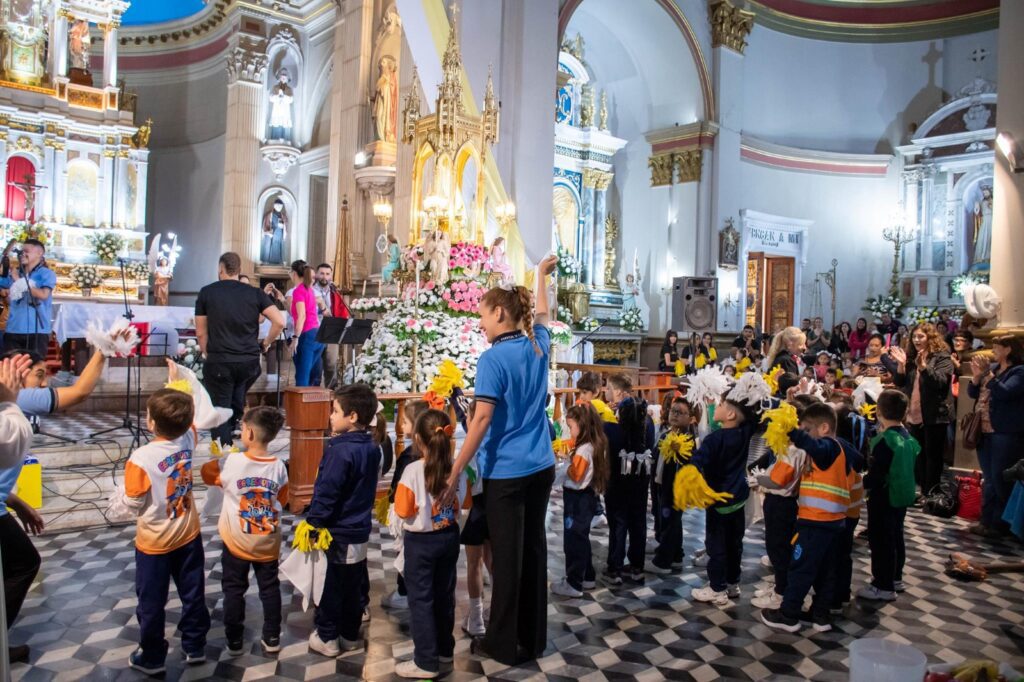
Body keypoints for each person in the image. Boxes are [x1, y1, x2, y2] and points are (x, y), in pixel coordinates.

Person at [443, 255, 558, 666]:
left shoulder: (492, 359)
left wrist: (455, 470)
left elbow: (482, 418)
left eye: (483, 317)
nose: (480, 324)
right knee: (534, 552)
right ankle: (535, 638)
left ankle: (503, 644)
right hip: (541, 467)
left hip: (506, 472)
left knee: (506, 561)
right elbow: (544, 313)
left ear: (499, 312)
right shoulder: (536, 344)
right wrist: (541, 275)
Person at [122, 371, 213, 674]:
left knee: (151, 601)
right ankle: (195, 644)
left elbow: (133, 502)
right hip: (188, 534)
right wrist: (179, 386)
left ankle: (152, 657)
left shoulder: (141, 457)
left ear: (150, 422)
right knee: (192, 592)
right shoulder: (188, 438)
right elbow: (194, 418)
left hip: (154, 544)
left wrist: (118, 502)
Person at [760, 402, 856, 634]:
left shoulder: (828, 447)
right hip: (833, 523)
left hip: (817, 522)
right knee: (825, 572)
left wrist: (792, 430)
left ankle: (788, 613)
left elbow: (815, 447)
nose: (804, 438)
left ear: (824, 428)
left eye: (807, 430)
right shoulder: (841, 449)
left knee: (800, 568)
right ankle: (820, 615)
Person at [200, 407, 288, 655]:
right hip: (267, 540)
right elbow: (283, 496)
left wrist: (220, 457)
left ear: (248, 432)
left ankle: (235, 640)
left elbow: (208, 475)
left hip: (237, 540)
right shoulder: (279, 466)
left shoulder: (233, 462)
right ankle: (272, 637)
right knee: (270, 588)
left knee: (234, 590)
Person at [307, 383, 381, 657]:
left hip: (337, 530)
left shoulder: (340, 451)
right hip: (360, 528)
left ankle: (327, 635)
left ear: (352, 417)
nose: (330, 416)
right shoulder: (372, 446)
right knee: (352, 584)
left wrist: (314, 523)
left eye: (335, 411)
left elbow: (328, 490)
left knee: (331, 585)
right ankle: (350, 635)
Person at [393, 409, 466, 679]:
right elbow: (465, 502)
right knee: (444, 595)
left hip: (421, 543)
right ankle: (445, 651)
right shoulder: (457, 467)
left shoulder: (413, 470)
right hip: (449, 538)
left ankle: (425, 661)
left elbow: (402, 510)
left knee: (421, 600)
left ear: (418, 440)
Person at [196, 252, 285, 446]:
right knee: (236, 394)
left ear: (221, 270)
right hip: (248, 361)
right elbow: (279, 321)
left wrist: (207, 353)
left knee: (220, 407)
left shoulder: (207, 292)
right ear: (238, 271)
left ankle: (223, 452)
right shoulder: (254, 293)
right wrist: (266, 343)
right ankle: (235, 425)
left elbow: (201, 333)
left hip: (221, 360)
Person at [689, 397, 753, 606]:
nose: (716, 406)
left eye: (721, 405)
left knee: (716, 546)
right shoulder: (745, 433)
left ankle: (717, 588)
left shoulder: (714, 440)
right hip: (738, 499)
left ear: (731, 415)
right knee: (735, 544)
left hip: (718, 500)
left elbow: (697, 462)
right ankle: (732, 582)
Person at [858, 389, 919, 601]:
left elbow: (877, 474)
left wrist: (859, 482)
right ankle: (895, 577)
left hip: (884, 497)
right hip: (902, 495)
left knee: (881, 541)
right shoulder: (907, 436)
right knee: (896, 537)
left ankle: (882, 585)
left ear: (879, 413)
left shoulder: (887, 441)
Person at [0, 353, 39, 664]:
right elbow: (11, 442)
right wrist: (9, 401)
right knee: (24, 562)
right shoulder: (11, 412)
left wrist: (16, 501)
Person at [968, 335, 1024, 538]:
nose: (993, 351)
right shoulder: (992, 368)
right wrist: (975, 378)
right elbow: (973, 393)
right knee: (989, 478)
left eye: (997, 347)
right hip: (984, 430)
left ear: (1008, 349)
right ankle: (986, 520)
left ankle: (1000, 524)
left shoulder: (1018, 371)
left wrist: (989, 377)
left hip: (1004, 432)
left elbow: (1006, 392)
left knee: (1000, 478)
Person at [889, 323, 953, 497]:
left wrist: (924, 368)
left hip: (934, 414)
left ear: (930, 337)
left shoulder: (941, 357)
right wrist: (901, 365)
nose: (917, 340)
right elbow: (900, 382)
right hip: (914, 412)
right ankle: (919, 489)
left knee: (933, 456)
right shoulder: (910, 356)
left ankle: (931, 491)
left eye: (921, 336)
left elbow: (940, 383)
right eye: (914, 336)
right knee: (917, 454)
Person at [552, 403, 609, 597]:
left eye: (572, 427)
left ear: (583, 425)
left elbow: (576, 475)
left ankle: (574, 583)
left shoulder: (584, 449)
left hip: (578, 500)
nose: (570, 431)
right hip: (586, 498)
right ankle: (588, 577)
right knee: (582, 538)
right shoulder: (593, 443)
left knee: (573, 541)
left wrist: (565, 461)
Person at [603, 373, 651, 585]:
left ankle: (614, 567)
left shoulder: (611, 430)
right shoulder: (647, 429)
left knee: (618, 524)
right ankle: (637, 567)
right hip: (640, 484)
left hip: (617, 485)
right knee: (638, 524)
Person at [382, 399, 429, 611]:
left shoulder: (409, 457)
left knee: (406, 554)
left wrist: (392, 503)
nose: (402, 427)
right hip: (429, 519)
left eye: (405, 422)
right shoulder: (435, 453)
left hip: (408, 514)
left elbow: (397, 486)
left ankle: (403, 592)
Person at [458, 401, 492, 637]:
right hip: (494, 505)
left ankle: (477, 617)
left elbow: (464, 486)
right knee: (492, 562)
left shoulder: (469, 449)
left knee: (474, 564)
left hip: (475, 509)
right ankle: (496, 610)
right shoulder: (494, 444)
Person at [650, 398, 695, 574]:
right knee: (670, 521)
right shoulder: (665, 434)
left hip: (675, 489)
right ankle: (676, 555)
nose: (675, 415)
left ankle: (663, 562)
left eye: (680, 412)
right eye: (673, 411)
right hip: (661, 484)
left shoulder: (687, 440)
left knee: (671, 522)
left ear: (691, 418)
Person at [0, 239, 56, 357]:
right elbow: (9, 299)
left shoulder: (46, 273)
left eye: (26, 251)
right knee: (11, 371)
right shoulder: (14, 273)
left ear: (39, 253)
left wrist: (17, 281)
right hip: (13, 329)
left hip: (36, 331)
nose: (22, 254)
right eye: (21, 251)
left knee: (33, 371)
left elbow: (43, 295)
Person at [311, 263, 350, 389]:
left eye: (327, 274)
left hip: (331, 331)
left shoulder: (334, 291)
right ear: (316, 275)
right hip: (315, 330)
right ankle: (314, 394)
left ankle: (330, 394)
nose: (324, 277)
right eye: (322, 273)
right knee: (316, 366)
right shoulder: (311, 290)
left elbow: (340, 310)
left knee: (331, 364)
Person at [287, 260, 323, 387]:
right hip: (318, 335)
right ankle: (312, 406)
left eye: (290, 272)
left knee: (302, 379)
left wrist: (295, 338)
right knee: (310, 377)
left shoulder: (299, 291)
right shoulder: (310, 290)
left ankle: (300, 407)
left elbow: (302, 316)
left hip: (307, 335)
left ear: (294, 273)